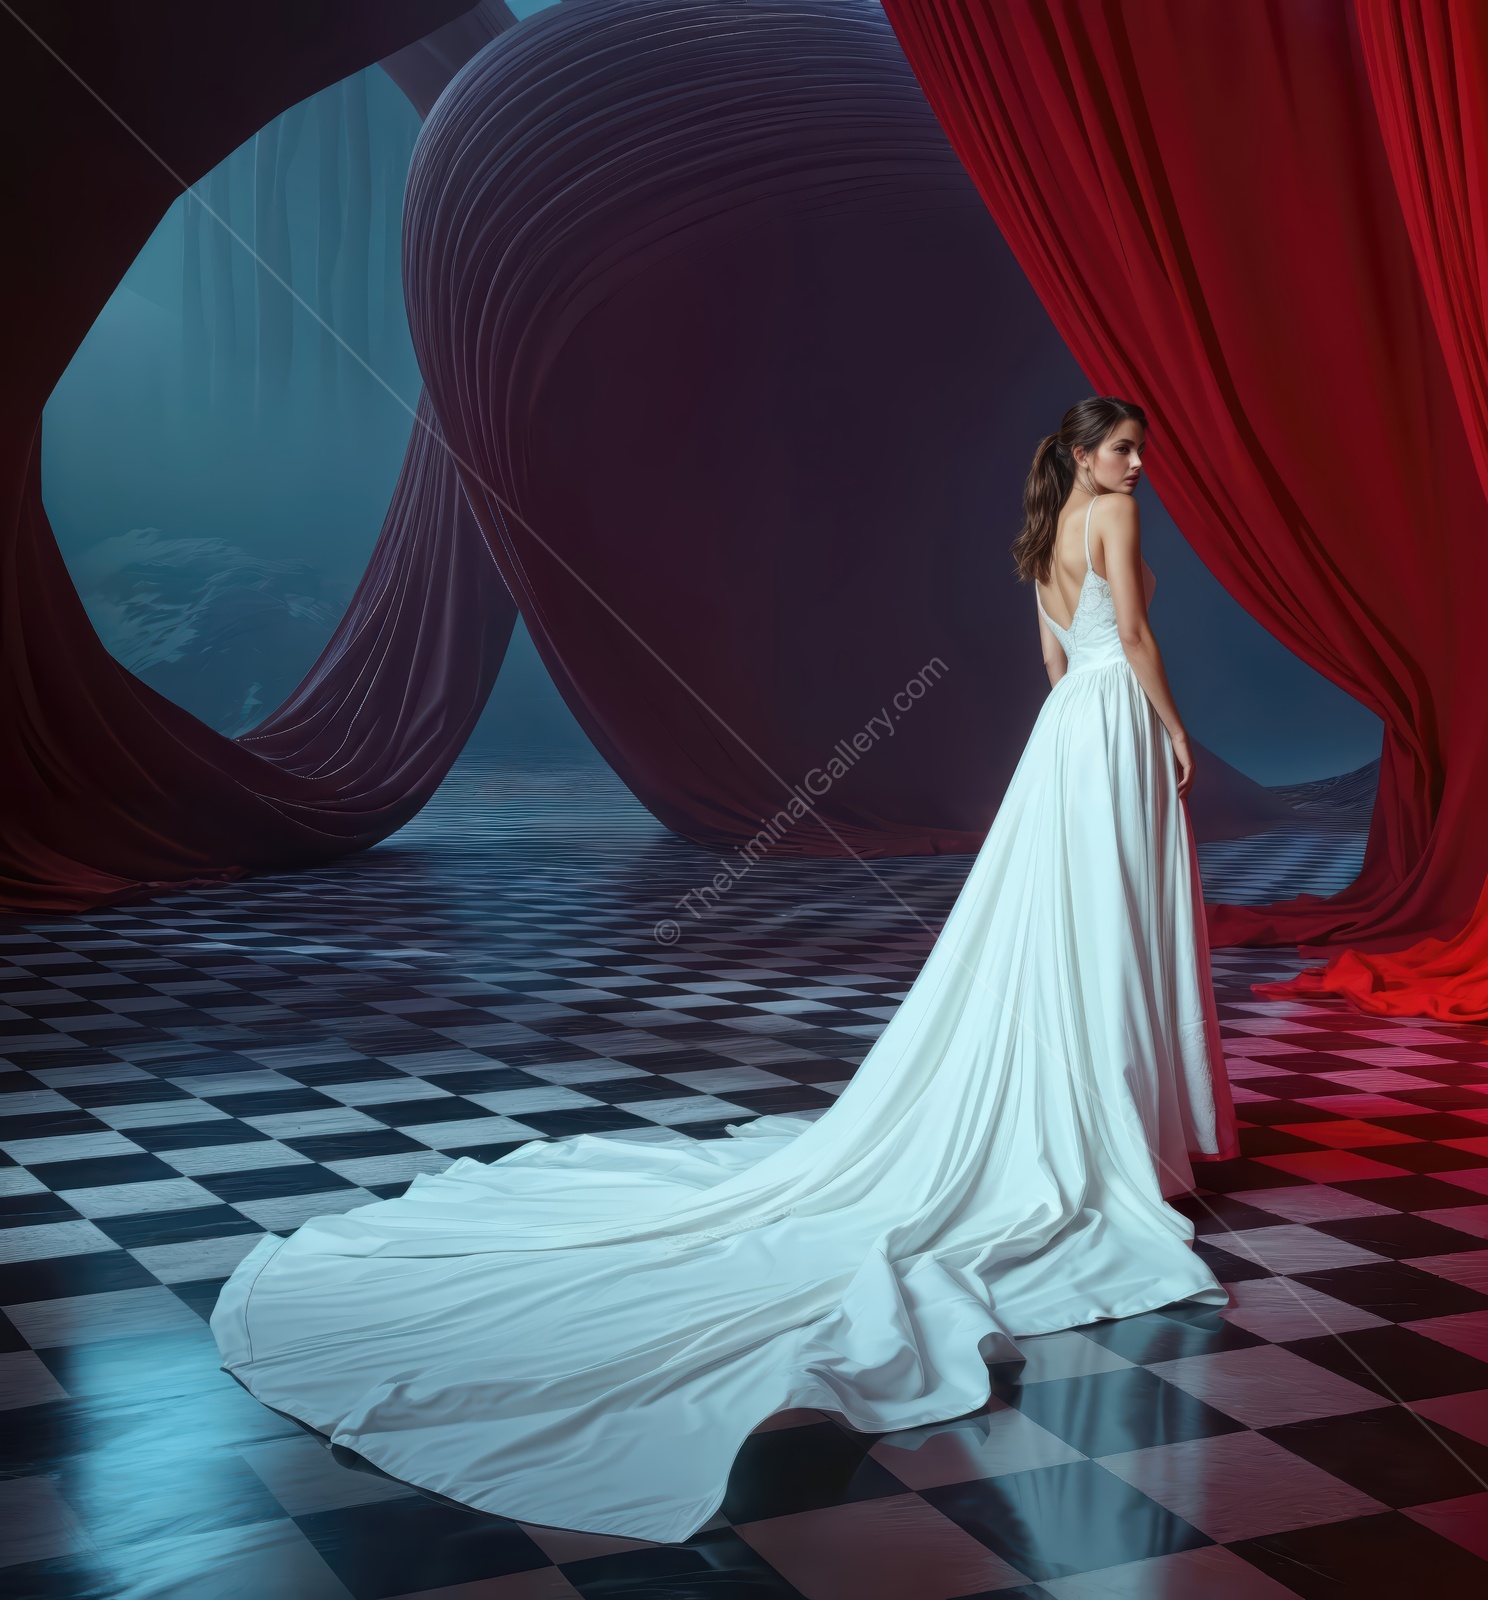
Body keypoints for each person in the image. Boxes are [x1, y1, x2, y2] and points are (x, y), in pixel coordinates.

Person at [211, 395, 1239, 1542]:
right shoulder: (1111, 517)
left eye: (1138, 450)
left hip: (1065, 734)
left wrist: (1078, 733)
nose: (1138, 465)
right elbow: (1130, 638)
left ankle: (1101, 1109)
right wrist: (1169, 727)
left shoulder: (1047, 531)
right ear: (1085, 455)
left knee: (1066, 921)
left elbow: (1052, 658)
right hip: (1110, 720)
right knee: (1105, 918)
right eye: (1122, 449)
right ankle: (1116, 1124)